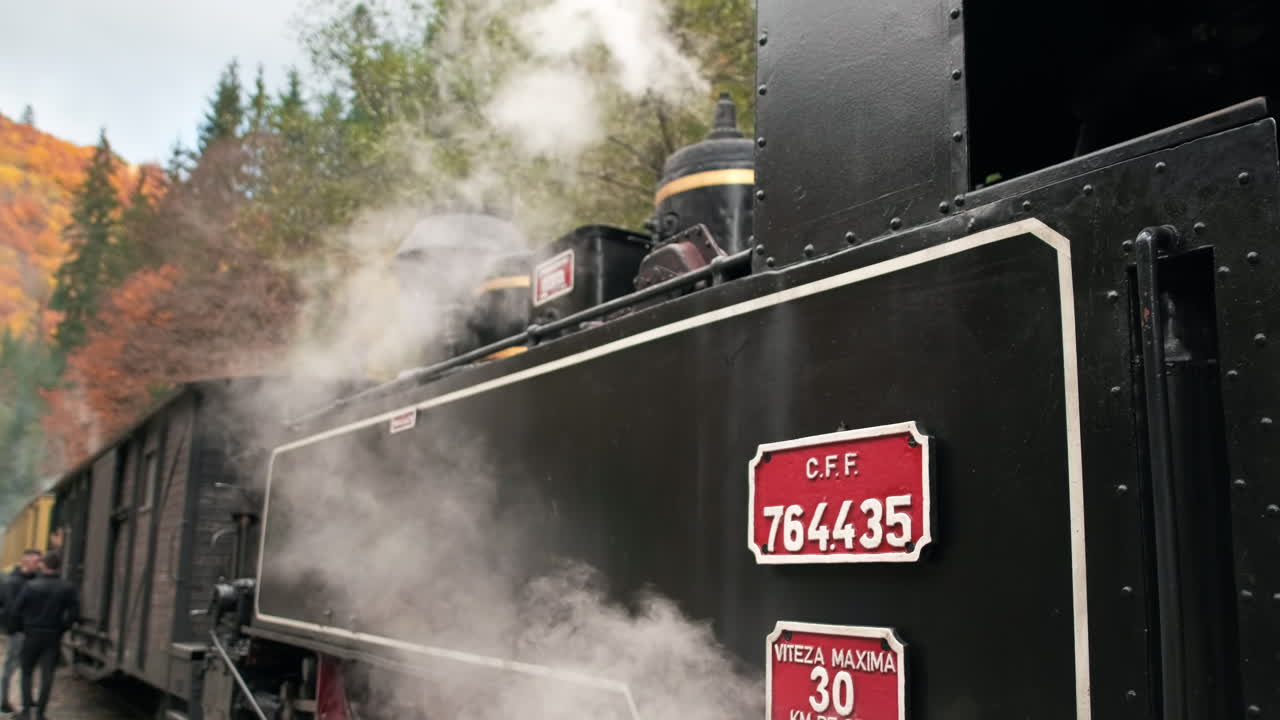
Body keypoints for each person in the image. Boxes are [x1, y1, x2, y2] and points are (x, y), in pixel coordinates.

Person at [7, 552, 77, 720]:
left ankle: (25, 713)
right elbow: (74, 614)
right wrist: (62, 629)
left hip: (31, 634)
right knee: (47, 675)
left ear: (43, 566)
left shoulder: (31, 586)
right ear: (58, 567)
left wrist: (21, 629)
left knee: (27, 672)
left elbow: (16, 611)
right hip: (53, 635)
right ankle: (40, 714)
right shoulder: (67, 587)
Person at [0, 550, 41, 714]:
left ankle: (27, 698)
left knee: (28, 666)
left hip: (28, 630)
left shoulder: (33, 580)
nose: (39, 565)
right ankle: (4, 700)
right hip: (18, 631)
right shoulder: (12, 582)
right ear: (27, 562)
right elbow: (10, 608)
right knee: (12, 666)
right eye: (36, 562)